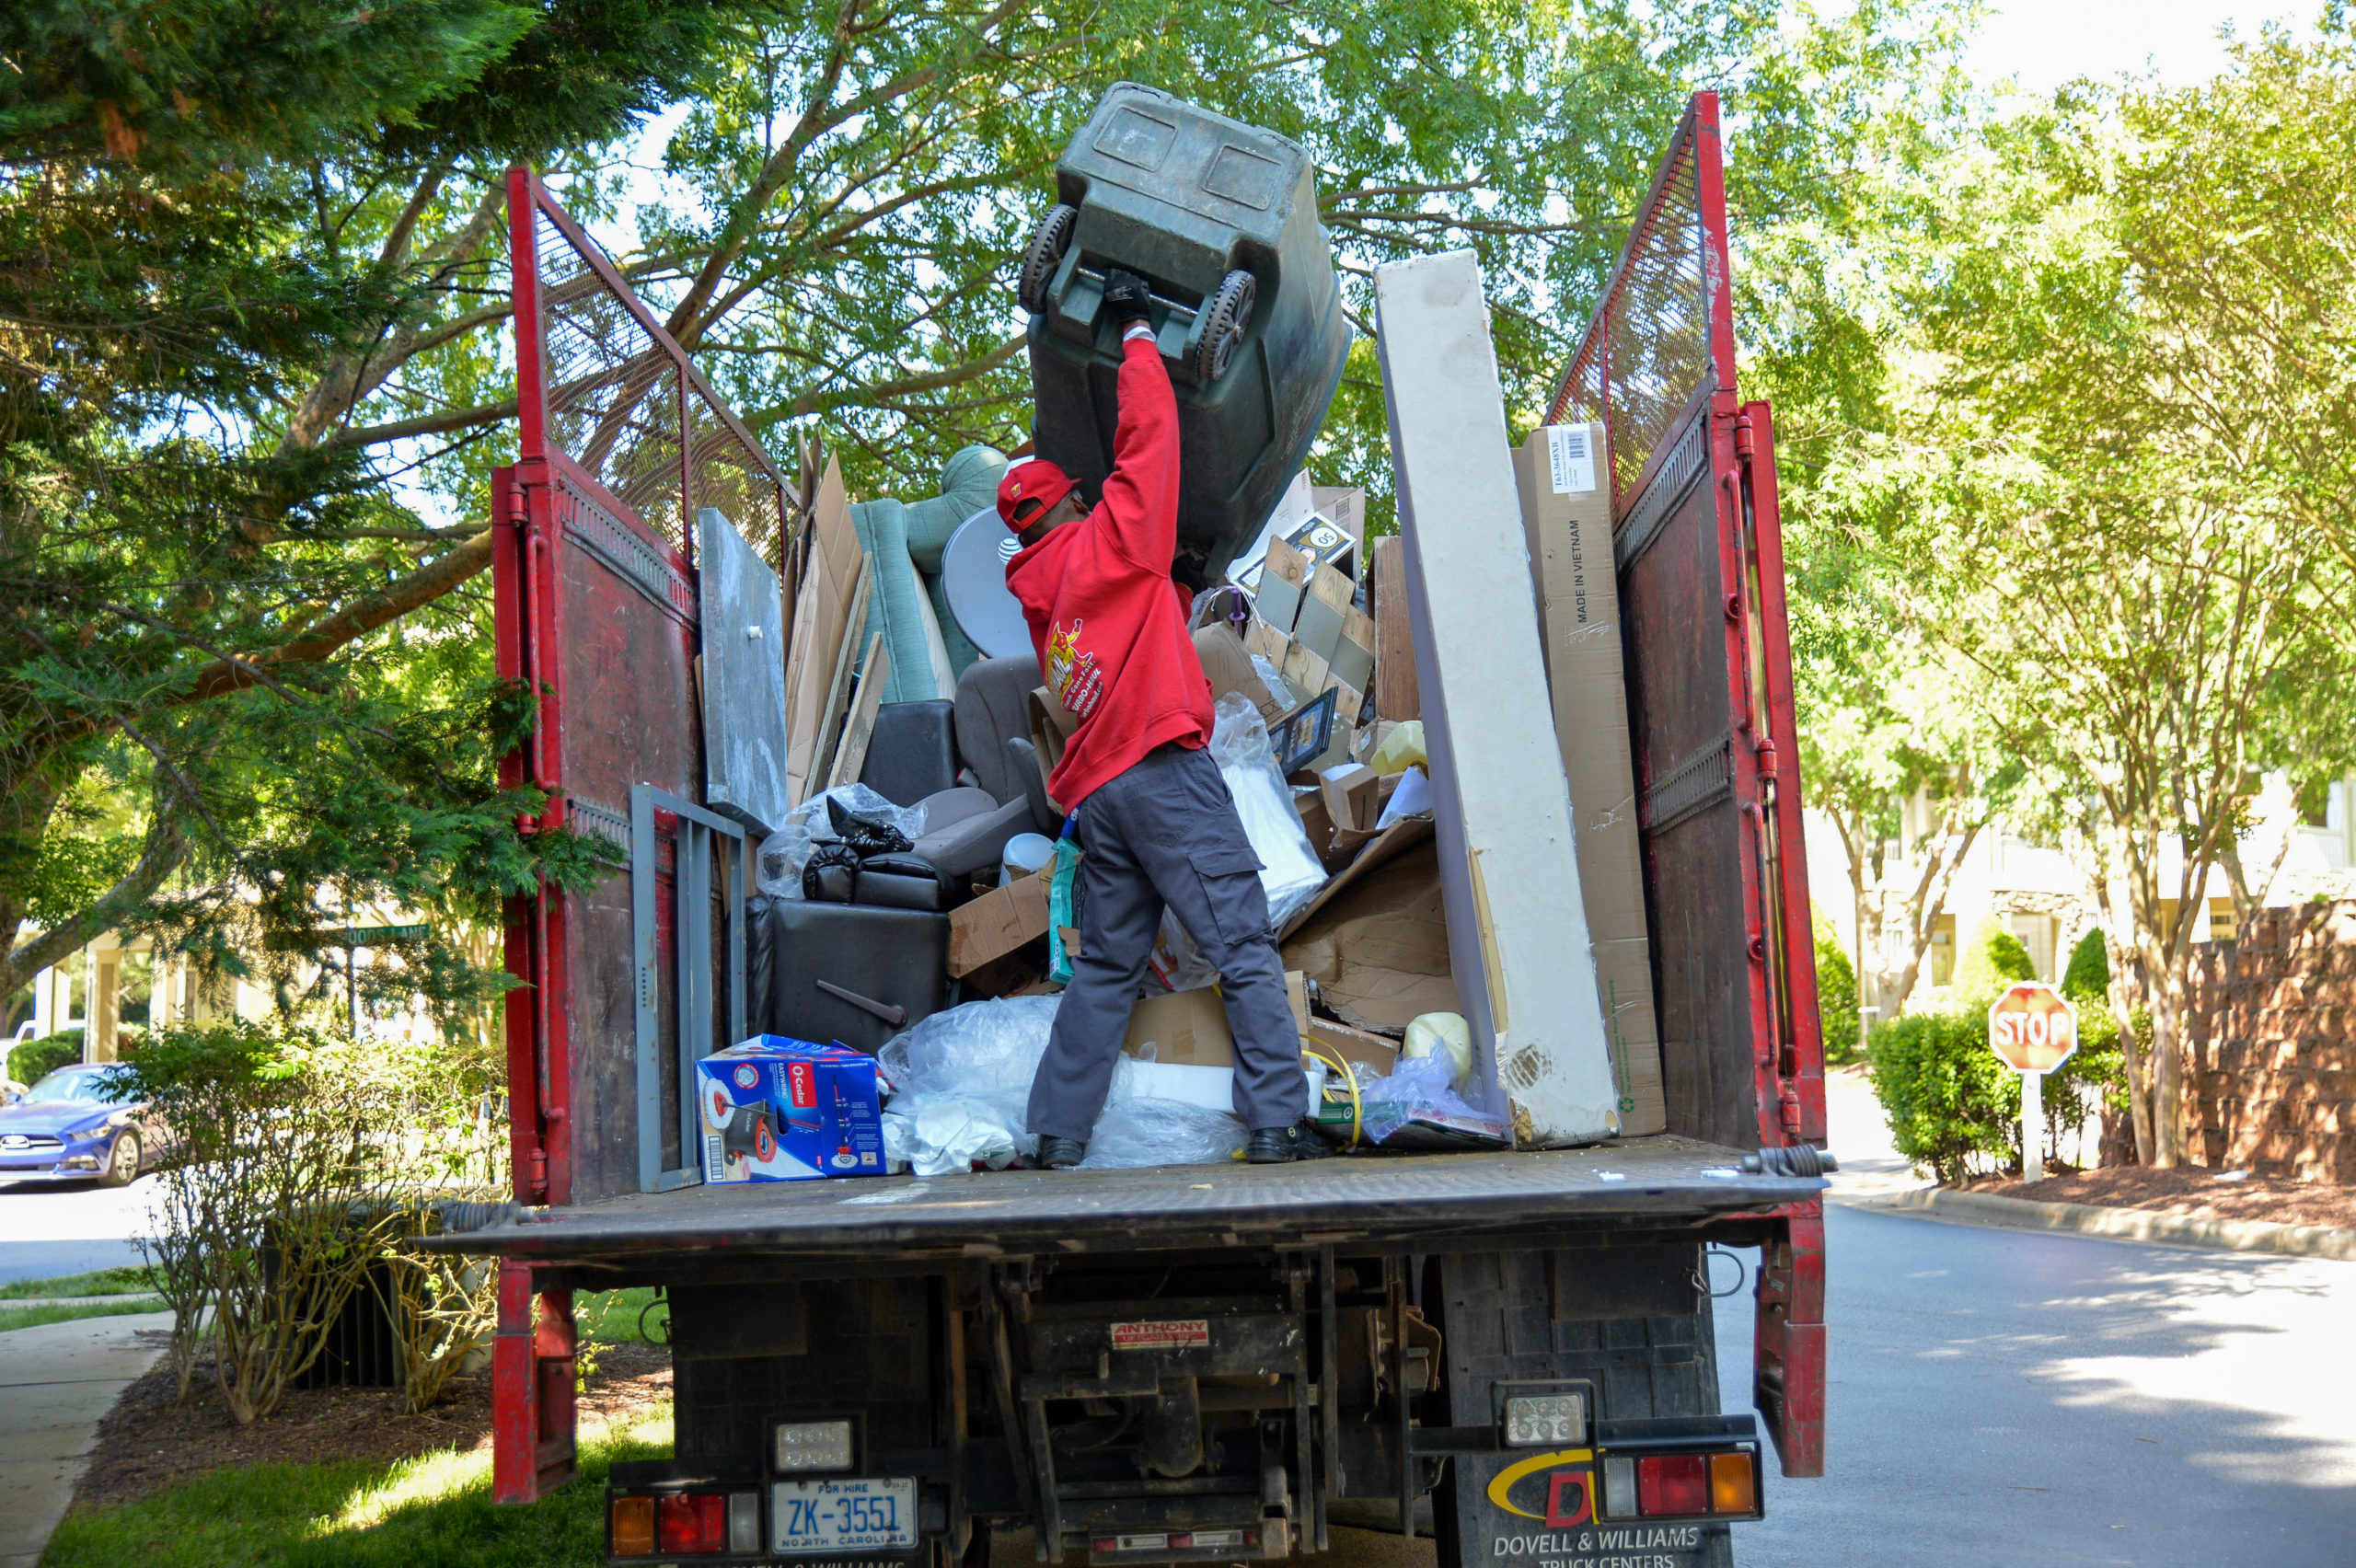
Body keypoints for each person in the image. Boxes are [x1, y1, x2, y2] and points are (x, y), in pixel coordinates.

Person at [1001, 268, 1311, 1168]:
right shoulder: (1109, 538)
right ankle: (1277, 1123)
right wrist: (1138, 330)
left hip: (1099, 798)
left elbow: (1132, 617)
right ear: (1065, 504)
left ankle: (1055, 1136)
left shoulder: (1043, 591)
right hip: (1163, 776)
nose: (1092, 498)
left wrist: (1174, 575)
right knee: (1244, 946)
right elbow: (1152, 440)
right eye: (1078, 496)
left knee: (1105, 968)